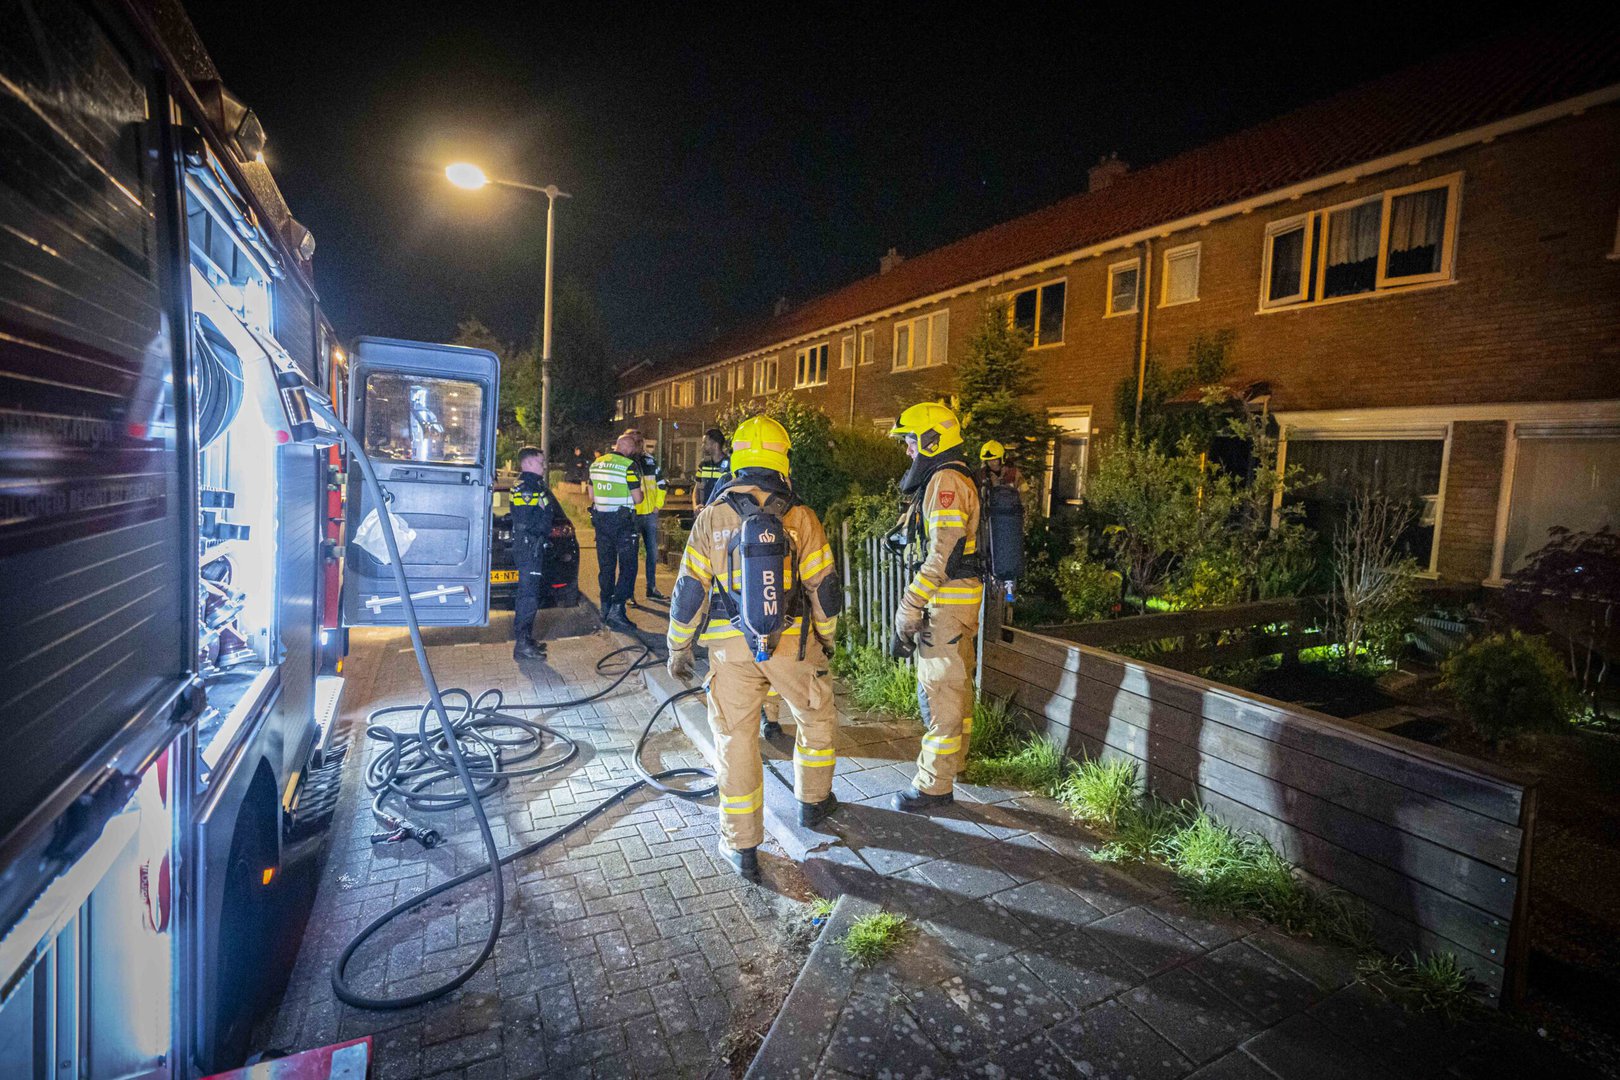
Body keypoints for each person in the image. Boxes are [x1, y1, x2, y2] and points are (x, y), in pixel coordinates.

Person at [665, 415, 843, 880]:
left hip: (730, 651)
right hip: (792, 645)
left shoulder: (712, 516)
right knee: (815, 716)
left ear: (737, 459)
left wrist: (678, 648)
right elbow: (824, 591)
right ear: (783, 460)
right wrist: (825, 639)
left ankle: (741, 844)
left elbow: (689, 593)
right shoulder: (801, 517)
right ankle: (813, 803)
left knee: (735, 739)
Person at [887, 402, 983, 813]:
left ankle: (934, 786)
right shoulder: (954, 475)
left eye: (910, 440)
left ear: (931, 440)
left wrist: (910, 604)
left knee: (940, 691)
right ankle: (955, 763)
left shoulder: (945, 480)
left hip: (946, 605)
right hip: (959, 603)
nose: (908, 449)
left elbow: (942, 555)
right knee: (957, 688)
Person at [589, 430, 649, 629]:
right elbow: (637, 498)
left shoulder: (596, 464)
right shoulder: (628, 466)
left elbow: (591, 495)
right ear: (628, 447)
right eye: (633, 447)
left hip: (601, 523)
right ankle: (617, 610)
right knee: (628, 567)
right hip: (623, 524)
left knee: (606, 567)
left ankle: (605, 607)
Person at [510, 446, 556, 660]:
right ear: (528, 463)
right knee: (528, 597)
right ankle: (521, 644)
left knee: (531, 595)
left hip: (532, 545)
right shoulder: (527, 488)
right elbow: (528, 520)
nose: (544, 466)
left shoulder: (534, 485)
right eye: (540, 462)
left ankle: (526, 639)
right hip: (529, 547)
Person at [634, 439, 669, 603]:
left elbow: (661, 484)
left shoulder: (650, 461)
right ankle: (629, 593)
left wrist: (657, 506)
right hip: (633, 515)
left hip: (650, 515)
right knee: (630, 556)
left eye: (640, 443)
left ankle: (652, 588)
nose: (638, 447)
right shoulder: (626, 462)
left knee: (652, 553)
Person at [693, 427, 729, 509]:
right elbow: (696, 488)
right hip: (704, 511)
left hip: (722, 512)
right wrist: (695, 507)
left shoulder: (730, 466)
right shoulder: (703, 464)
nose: (702, 446)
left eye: (705, 443)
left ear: (715, 445)